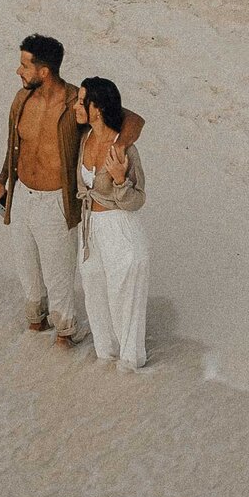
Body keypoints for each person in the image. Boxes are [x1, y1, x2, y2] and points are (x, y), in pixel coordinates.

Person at [0, 35, 143, 348]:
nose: (19, 72)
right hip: (21, 197)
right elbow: (14, 145)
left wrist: (118, 150)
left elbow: (133, 120)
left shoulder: (76, 102)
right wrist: (3, 179)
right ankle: (34, 333)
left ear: (44, 71)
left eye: (24, 65)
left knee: (59, 277)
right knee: (27, 271)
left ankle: (65, 336)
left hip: (55, 201)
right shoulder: (22, 100)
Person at [74, 76, 150, 370]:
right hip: (90, 229)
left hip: (121, 228)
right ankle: (105, 370)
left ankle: (131, 369)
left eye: (82, 101)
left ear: (97, 108)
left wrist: (119, 179)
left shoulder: (124, 149)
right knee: (96, 295)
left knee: (124, 300)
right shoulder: (85, 138)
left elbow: (137, 200)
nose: (76, 106)